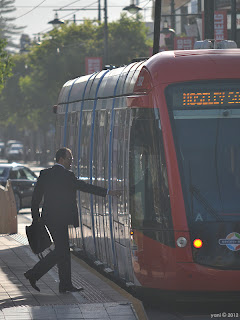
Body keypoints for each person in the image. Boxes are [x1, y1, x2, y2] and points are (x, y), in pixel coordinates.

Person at [24, 147, 120, 293]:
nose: (71, 162)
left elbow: (35, 199)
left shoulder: (45, 174)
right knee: (61, 250)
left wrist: (36, 218)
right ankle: (34, 274)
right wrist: (107, 192)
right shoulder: (67, 176)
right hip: (61, 220)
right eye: (70, 159)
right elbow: (85, 187)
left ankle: (65, 285)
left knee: (63, 251)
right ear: (61, 159)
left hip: (48, 219)